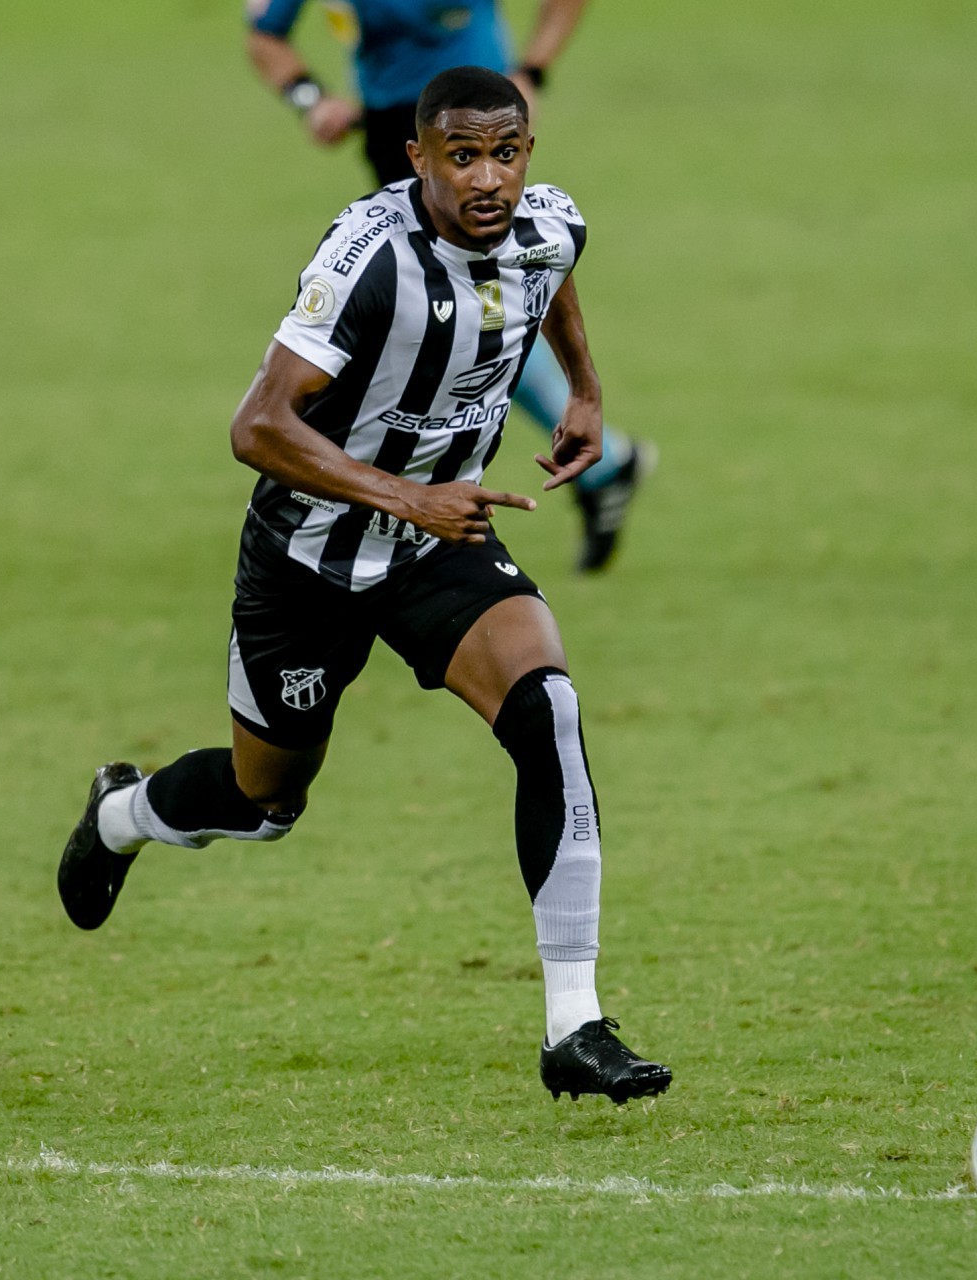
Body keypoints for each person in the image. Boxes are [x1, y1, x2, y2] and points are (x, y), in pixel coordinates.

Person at [58, 67, 670, 1105]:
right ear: (417, 157)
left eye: (507, 153)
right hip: (309, 555)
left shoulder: (548, 221)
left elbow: (553, 272)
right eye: (463, 157)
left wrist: (584, 391)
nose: (489, 178)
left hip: (438, 544)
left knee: (548, 709)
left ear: (529, 151)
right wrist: (408, 496)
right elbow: (257, 425)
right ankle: (123, 814)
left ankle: (575, 1024)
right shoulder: (369, 256)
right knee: (264, 800)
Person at [245, 0, 653, 572]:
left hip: (479, 124)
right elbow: (265, 35)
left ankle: (590, 466)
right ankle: (603, 467)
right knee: (453, 310)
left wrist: (532, 71)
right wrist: (311, 99)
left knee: (475, 304)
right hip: (395, 128)